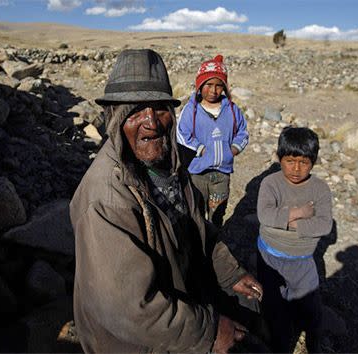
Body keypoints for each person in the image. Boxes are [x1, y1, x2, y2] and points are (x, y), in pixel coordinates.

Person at [70, 49, 263, 354]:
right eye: (135, 110)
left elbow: (198, 228)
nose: (152, 122)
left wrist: (230, 272)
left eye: (160, 108)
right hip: (134, 342)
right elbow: (130, 309)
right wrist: (209, 331)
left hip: (176, 306)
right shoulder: (107, 199)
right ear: (114, 118)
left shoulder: (171, 163)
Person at [255, 126, 333, 353]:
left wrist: (287, 222)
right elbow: (265, 216)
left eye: (304, 162)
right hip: (269, 257)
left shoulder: (319, 189)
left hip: (302, 260)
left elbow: (324, 224)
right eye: (290, 161)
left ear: (314, 161)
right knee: (274, 311)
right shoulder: (270, 183)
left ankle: (313, 345)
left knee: (311, 311)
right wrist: (299, 213)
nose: (297, 169)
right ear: (280, 158)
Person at [176, 54, 248, 226]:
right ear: (200, 85)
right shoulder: (191, 110)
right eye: (208, 85)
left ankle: (214, 244)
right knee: (197, 213)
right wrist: (199, 149)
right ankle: (199, 247)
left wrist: (233, 150)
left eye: (218, 86)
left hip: (222, 174)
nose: (213, 90)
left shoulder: (232, 110)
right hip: (197, 173)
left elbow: (243, 132)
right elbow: (181, 134)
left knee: (217, 215)